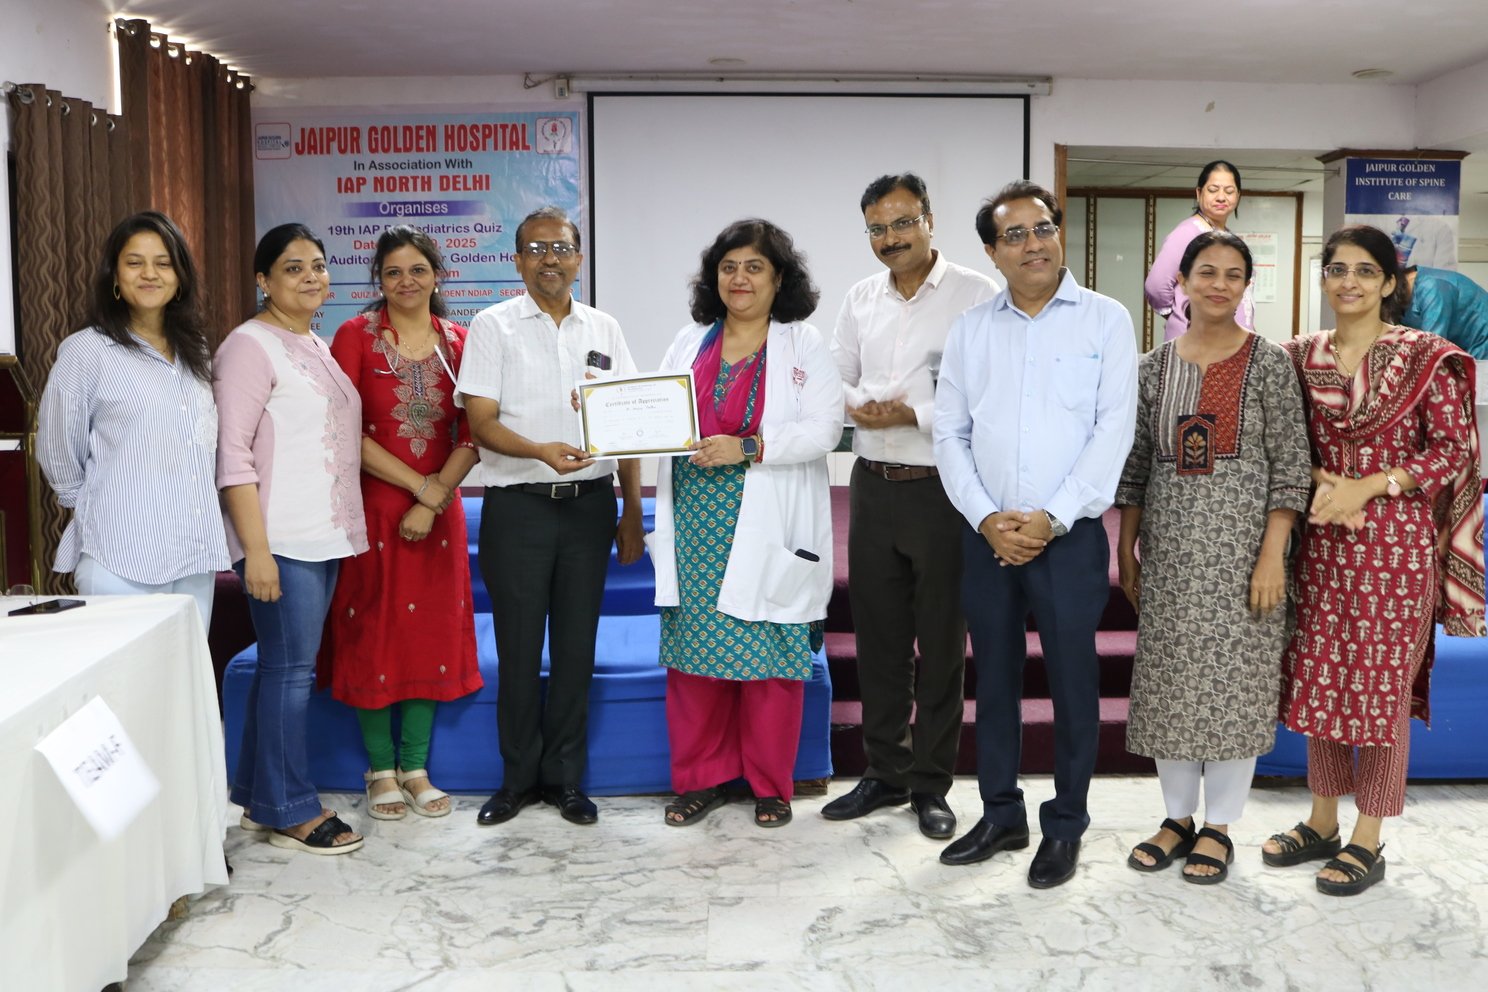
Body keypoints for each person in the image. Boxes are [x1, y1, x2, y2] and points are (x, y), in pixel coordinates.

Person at [1262, 225, 1484, 896]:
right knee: (1321, 680)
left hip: (1397, 545)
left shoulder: (1426, 356)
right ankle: (1321, 820)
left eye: (1365, 270)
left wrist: (1372, 485)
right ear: (1323, 279)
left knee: (1380, 690)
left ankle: (1367, 837)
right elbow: (1279, 440)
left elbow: (1453, 450)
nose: (1349, 281)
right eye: (1337, 269)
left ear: (1390, 282)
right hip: (1323, 541)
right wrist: (1325, 483)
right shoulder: (1297, 357)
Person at [933, 180, 1137, 888]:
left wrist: (1052, 517)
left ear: (1058, 233)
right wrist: (986, 517)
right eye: (1013, 235)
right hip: (987, 535)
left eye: (1042, 227)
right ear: (992, 253)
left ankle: (1066, 824)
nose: (1032, 244)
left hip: (1068, 536)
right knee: (993, 679)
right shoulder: (971, 329)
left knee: (1074, 683)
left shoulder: (1106, 320)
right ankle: (1000, 815)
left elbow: (1113, 432)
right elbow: (950, 433)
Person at [1115, 231, 1312, 884]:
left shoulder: (1270, 363)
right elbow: (1138, 464)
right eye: (1206, 272)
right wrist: (1127, 548)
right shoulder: (1152, 368)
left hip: (1244, 559)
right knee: (1171, 686)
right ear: (1182, 282)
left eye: (1232, 274)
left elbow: (1291, 468)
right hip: (1172, 556)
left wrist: (1272, 556)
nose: (1219, 284)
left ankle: (1220, 827)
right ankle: (1176, 819)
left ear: (1246, 286)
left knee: (1235, 689)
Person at [650, 219, 842, 829]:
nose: (740, 278)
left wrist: (749, 447)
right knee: (695, 663)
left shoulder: (802, 344)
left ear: (779, 278)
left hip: (769, 518)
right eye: (729, 267)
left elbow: (824, 429)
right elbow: (654, 412)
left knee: (770, 662)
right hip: (696, 522)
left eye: (754, 267)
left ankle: (770, 786)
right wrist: (603, 412)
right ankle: (699, 782)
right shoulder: (689, 342)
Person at [823, 173, 998, 840]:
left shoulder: (975, 295)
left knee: (942, 643)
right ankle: (885, 772)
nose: (890, 238)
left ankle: (931, 783)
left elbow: (986, 388)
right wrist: (859, 406)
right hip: (871, 482)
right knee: (879, 640)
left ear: (929, 221)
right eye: (877, 228)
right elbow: (836, 373)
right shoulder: (860, 298)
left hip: (942, 489)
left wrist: (914, 413)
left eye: (902, 223)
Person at [457, 206, 645, 827]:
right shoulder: (493, 326)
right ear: (517, 261)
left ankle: (565, 779)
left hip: (591, 508)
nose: (550, 260)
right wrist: (539, 450)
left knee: (574, 648)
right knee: (516, 649)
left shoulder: (604, 328)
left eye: (561, 248)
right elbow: (481, 424)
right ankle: (516, 781)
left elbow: (627, 422)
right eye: (536, 249)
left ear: (578, 259)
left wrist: (630, 511)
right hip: (520, 509)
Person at [320, 226, 482, 821]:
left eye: (417, 270)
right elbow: (342, 429)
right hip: (373, 507)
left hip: (439, 512)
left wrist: (434, 498)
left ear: (437, 275)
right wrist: (420, 489)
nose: (406, 281)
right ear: (378, 281)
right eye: (393, 272)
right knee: (374, 628)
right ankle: (380, 770)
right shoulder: (355, 336)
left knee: (427, 635)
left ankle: (415, 768)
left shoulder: (461, 342)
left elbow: (474, 432)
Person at [216, 223, 368, 856]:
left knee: (283, 668)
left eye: (318, 265)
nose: (311, 277)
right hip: (280, 537)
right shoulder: (248, 346)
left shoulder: (313, 342)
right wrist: (255, 551)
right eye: (293, 267)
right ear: (263, 280)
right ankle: (293, 811)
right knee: (290, 673)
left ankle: (260, 796)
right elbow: (232, 455)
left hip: (322, 533)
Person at [38, 211, 229, 627]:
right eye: (134, 262)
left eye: (163, 263)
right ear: (114, 275)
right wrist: (96, 509)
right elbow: (57, 451)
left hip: (194, 552)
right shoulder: (86, 351)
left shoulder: (195, 348)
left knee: (185, 668)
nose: (150, 274)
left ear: (180, 277)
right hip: (121, 557)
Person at [1145, 160, 1256, 342]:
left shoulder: (1229, 237)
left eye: (1229, 191)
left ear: (1238, 195)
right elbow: (1156, 286)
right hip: (1199, 339)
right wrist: (1180, 316)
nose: (1221, 197)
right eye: (1213, 190)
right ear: (1199, 193)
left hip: (1234, 341)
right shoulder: (1187, 232)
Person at [1402, 265, 1488, 360]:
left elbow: (1433, 348)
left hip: (1482, 342)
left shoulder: (1431, 287)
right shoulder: (1399, 299)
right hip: (1459, 349)